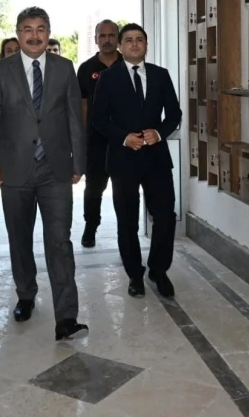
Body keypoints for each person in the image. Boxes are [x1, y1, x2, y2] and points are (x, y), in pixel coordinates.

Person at [0, 6, 88, 341]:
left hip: (55, 168)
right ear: (18, 33)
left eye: (41, 29)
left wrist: (78, 162)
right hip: (14, 167)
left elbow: (74, 117)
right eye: (27, 29)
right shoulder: (0, 70)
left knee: (60, 241)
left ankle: (66, 316)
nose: (34, 35)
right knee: (20, 237)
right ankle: (25, 294)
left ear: (48, 32)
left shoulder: (64, 68)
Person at [92, 23, 182, 299]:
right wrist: (123, 138)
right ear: (120, 46)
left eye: (139, 39)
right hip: (123, 160)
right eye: (129, 40)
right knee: (127, 219)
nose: (134, 44)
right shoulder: (107, 78)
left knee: (165, 216)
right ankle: (135, 275)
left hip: (156, 159)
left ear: (146, 45)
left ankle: (159, 270)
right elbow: (98, 119)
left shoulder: (160, 75)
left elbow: (174, 114)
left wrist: (159, 133)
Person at [76, 20, 123, 248]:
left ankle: (126, 232)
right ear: (96, 39)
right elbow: (83, 104)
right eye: (102, 36)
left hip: (125, 140)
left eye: (111, 35)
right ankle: (90, 227)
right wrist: (83, 137)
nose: (106, 40)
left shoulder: (128, 64)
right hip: (96, 140)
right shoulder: (86, 68)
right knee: (94, 189)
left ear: (118, 38)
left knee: (124, 190)